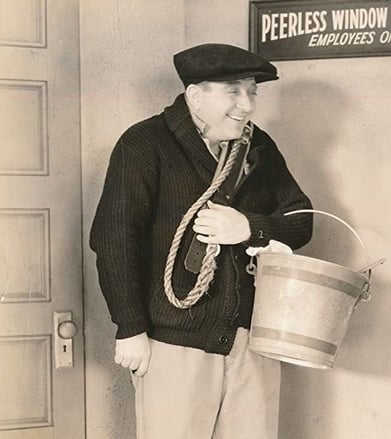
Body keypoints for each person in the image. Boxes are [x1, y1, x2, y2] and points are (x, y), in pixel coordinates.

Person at [89, 43, 313, 439]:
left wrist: (249, 228)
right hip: (174, 343)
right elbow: (114, 241)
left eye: (252, 92)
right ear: (195, 96)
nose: (247, 105)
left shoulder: (258, 147)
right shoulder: (143, 144)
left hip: (250, 344)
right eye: (233, 92)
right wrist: (130, 328)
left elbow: (302, 221)